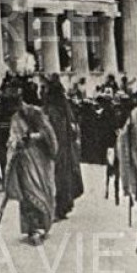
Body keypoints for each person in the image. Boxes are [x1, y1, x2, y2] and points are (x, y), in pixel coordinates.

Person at [5, 79, 58, 245]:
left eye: (17, 100)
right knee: (27, 193)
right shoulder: (15, 118)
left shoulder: (35, 113)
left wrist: (32, 137)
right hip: (24, 160)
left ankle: (42, 225)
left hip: (39, 158)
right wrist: (16, 144)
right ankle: (32, 228)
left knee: (42, 190)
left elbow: (47, 133)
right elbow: (12, 137)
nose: (15, 105)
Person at [43, 74, 84, 220]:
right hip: (64, 148)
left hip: (58, 149)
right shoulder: (63, 109)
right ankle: (62, 206)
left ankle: (58, 208)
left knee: (56, 177)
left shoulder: (52, 111)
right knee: (62, 176)